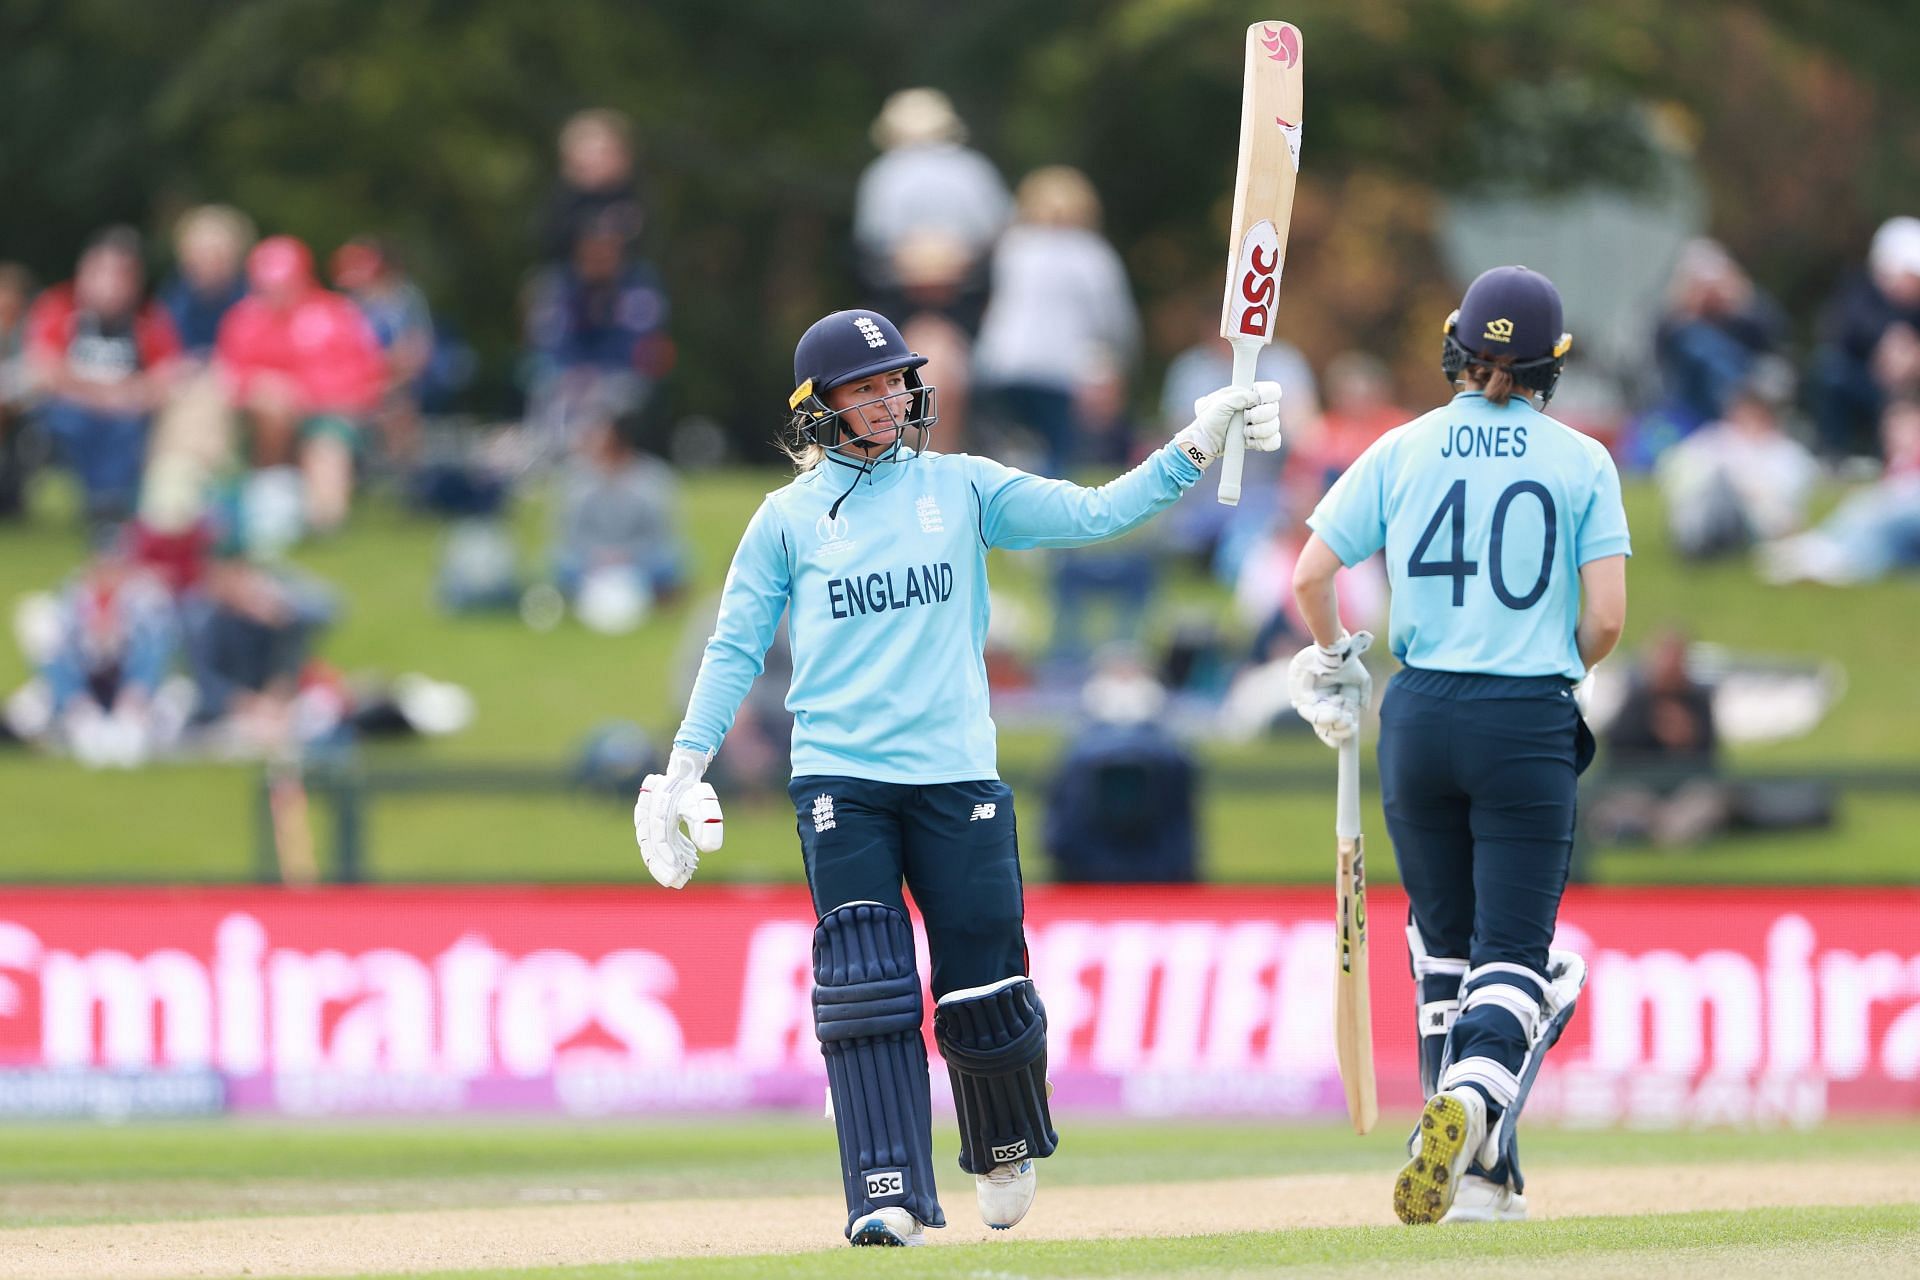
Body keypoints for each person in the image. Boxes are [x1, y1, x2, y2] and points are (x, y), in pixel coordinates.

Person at [632, 308, 1283, 1246]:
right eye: (866, 386)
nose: (890, 397)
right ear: (822, 406)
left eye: (897, 379)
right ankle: (883, 1190)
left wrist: (1195, 440)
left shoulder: (965, 487)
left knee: (982, 973)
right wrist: (684, 763)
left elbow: (1098, 513)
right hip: (840, 780)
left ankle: (1004, 1144)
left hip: (953, 776)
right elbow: (735, 645)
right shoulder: (787, 518)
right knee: (867, 986)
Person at [1288, 267, 1629, 1226]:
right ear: (1547, 367)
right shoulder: (1581, 460)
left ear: (1458, 345)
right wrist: (1566, 657)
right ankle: (1474, 1102)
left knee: (1445, 950)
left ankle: (1482, 1180)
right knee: (1519, 958)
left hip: (1420, 714)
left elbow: (1314, 574)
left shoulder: (1401, 446)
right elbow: (1605, 619)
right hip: (1523, 715)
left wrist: (1336, 656)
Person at [972, 167, 1139, 476]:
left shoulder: (1014, 247)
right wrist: (1118, 364)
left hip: (1001, 365)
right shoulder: (1091, 254)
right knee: (1058, 450)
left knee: (1010, 445)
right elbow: (1113, 322)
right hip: (1058, 370)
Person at [215, 236, 386, 537]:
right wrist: (269, 390)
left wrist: (303, 395)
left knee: (327, 511)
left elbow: (365, 377)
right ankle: (270, 498)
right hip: (258, 424)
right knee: (270, 402)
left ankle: (310, 514)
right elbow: (229, 376)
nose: (277, 291)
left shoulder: (337, 314)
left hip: (326, 416)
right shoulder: (242, 319)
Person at [25, 228, 182, 529]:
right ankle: (97, 504)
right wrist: (104, 396)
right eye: (101, 272)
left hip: (128, 413)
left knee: (128, 428)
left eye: (120, 275)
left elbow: (168, 375)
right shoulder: (59, 306)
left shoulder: (149, 318)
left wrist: (131, 395)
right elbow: (44, 366)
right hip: (69, 409)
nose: (109, 284)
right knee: (72, 421)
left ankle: (109, 507)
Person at [1811, 216, 1920, 462]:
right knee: (1831, 371)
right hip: (1866, 386)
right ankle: (1835, 455)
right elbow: (1839, 331)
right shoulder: (1858, 291)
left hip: (1911, 395)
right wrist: (1886, 343)